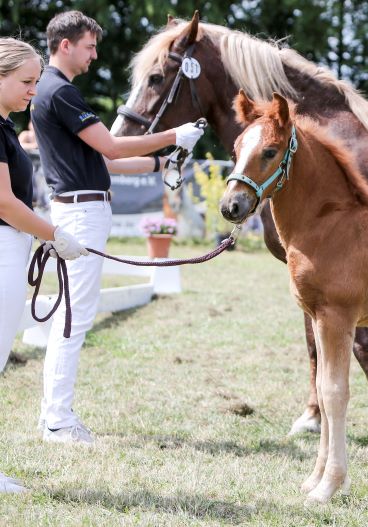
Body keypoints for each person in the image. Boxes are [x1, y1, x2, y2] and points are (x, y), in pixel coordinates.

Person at [31, 11, 204, 445]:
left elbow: (106, 162)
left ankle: (54, 415)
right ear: (65, 45)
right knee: (75, 319)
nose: (94, 55)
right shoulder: (61, 92)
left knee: (74, 316)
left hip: (84, 210)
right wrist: (170, 135)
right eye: (89, 47)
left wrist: (162, 160)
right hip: (81, 213)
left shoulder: (56, 91)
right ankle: (57, 420)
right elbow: (110, 145)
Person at [0, 36, 88, 493]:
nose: (33, 90)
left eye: (36, 81)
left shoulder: (6, 126)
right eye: (26, 81)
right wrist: (54, 233)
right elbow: (3, 202)